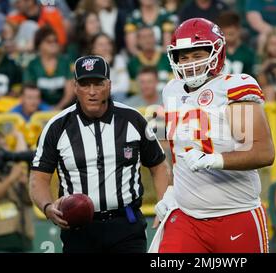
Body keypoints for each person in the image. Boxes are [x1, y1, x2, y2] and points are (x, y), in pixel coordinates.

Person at [153, 18, 275, 253]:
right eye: (183, 57)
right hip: (187, 218)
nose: (189, 64)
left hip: (235, 214)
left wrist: (216, 160)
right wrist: (171, 191)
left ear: (216, 52)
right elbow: (175, 151)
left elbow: (264, 153)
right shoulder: (171, 90)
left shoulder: (233, 87)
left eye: (197, 55)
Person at [29, 55, 171, 253]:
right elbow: (38, 178)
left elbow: (159, 166)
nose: (92, 92)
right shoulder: (56, 127)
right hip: (77, 228)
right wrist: (46, 207)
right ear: (75, 87)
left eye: (98, 83)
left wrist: (164, 205)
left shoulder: (133, 120)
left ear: (110, 85)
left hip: (126, 225)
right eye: (85, 85)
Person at [24, 26, 74, 110]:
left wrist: (58, 108)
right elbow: (30, 92)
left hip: (64, 109)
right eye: (49, 41)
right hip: (39, 110)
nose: (53, 44)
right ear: (39, 45)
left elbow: (70, 92)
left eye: (55, 41)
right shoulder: (32, 65)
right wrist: (45, 109)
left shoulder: (65, 63)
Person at [127, 27, 172, 94]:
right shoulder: (132, 63)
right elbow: (133, 91)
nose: (147, 40)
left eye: (150, 36)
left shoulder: (167, 59)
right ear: (138, 41)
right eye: (143, 37)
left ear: (155, 38)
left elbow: (173, 85)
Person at [89, 33, 130, 103]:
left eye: (108, 44)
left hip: (117, 96)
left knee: (120, 95)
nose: (105, 47)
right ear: (93, 48)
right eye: (101, 45)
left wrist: (107, 91)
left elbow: (124, 85)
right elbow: (94, 88)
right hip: (96, 98)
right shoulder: (88, 63)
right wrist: (105, 65)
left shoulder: (118, 59)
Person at [217, 11, 255, 76]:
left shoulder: (248, 53)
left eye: (231, 34)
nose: (227, 38)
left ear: (239, 30)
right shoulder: (216, 51)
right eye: (224, 34)